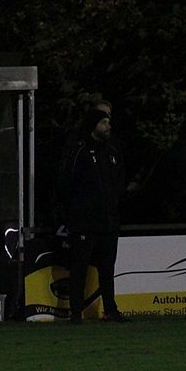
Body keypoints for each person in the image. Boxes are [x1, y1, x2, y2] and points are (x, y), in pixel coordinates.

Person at [57, 108, 128, 324]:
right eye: (103, 122)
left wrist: (113, 206)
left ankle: (110, 310)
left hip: (108, 221)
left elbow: (119, 182)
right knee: (79, 268)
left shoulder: (112, 152)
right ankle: (75, 312)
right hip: (84, 222)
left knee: (107, 268)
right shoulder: (80, 150)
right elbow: (66, 184)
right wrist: (73, 213)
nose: (108, 126)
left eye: (108, 122)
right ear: (93, 126)